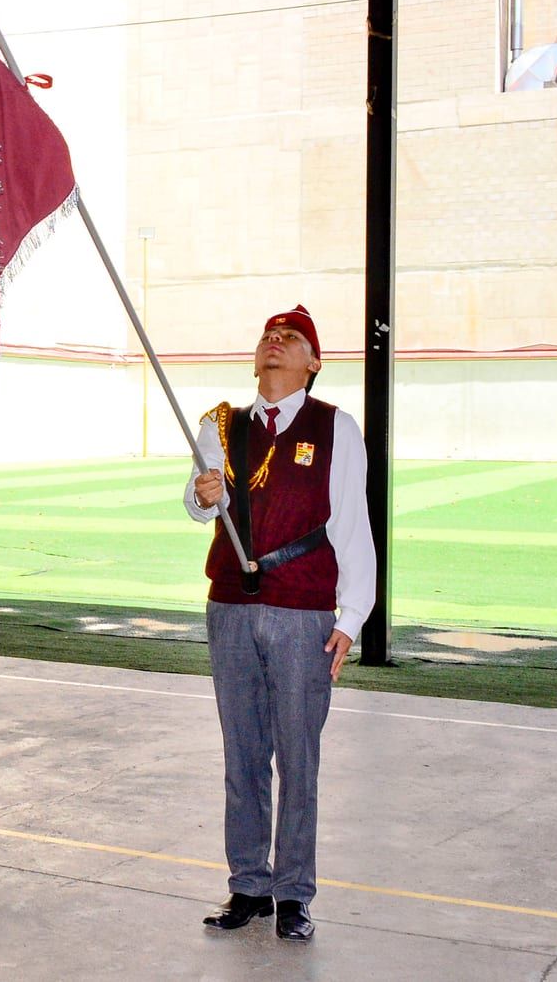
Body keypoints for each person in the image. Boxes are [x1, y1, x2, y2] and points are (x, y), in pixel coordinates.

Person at [186, 304, 373, 943]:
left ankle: (293, 892)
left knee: (298, 758)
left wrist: (352, 618)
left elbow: (351, 524)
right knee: (243, 754)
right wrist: (202, 494)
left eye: (291, 338)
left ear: (313, 363)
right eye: (268, 335)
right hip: (232, 607)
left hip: (302, 612)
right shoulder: (221, 423)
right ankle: (248, 885)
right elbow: (194, 499)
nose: (275, 342)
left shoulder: (335, 428)